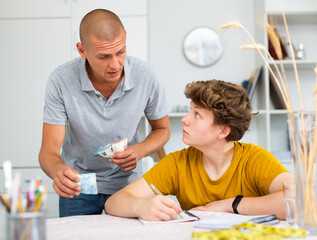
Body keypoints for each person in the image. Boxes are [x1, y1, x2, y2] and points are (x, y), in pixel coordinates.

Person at [38, 9, 170, 217]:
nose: (115, 64)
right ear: (82, 50)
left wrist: (139, 151)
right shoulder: (61, 80)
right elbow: (49, 150)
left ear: (125, 38)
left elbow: (162, 130)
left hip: (128, 186)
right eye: (104, 56)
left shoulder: (147, 75)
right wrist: (57, 171)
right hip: (79, 186)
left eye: (121, 52)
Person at [105, 79, 294, 221]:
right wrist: (141, 206)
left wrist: (228, 205)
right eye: (190, 110)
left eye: (197, 114)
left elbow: (296, 201)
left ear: (223, 130)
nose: (185, 119)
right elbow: (114, 202)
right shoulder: (178, 163)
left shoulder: (254, 159)